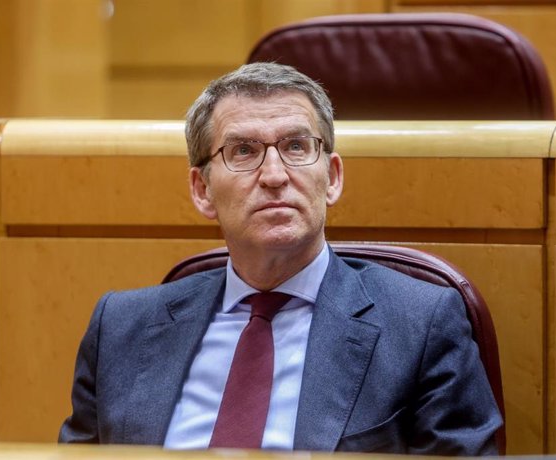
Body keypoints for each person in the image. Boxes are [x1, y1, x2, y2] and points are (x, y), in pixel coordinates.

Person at [59, 62, 502, 454]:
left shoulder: (420, 326)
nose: (274, 176)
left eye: (295, 146)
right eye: (243, 152)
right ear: (202, 190)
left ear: (331, 177)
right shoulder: (120, 328)